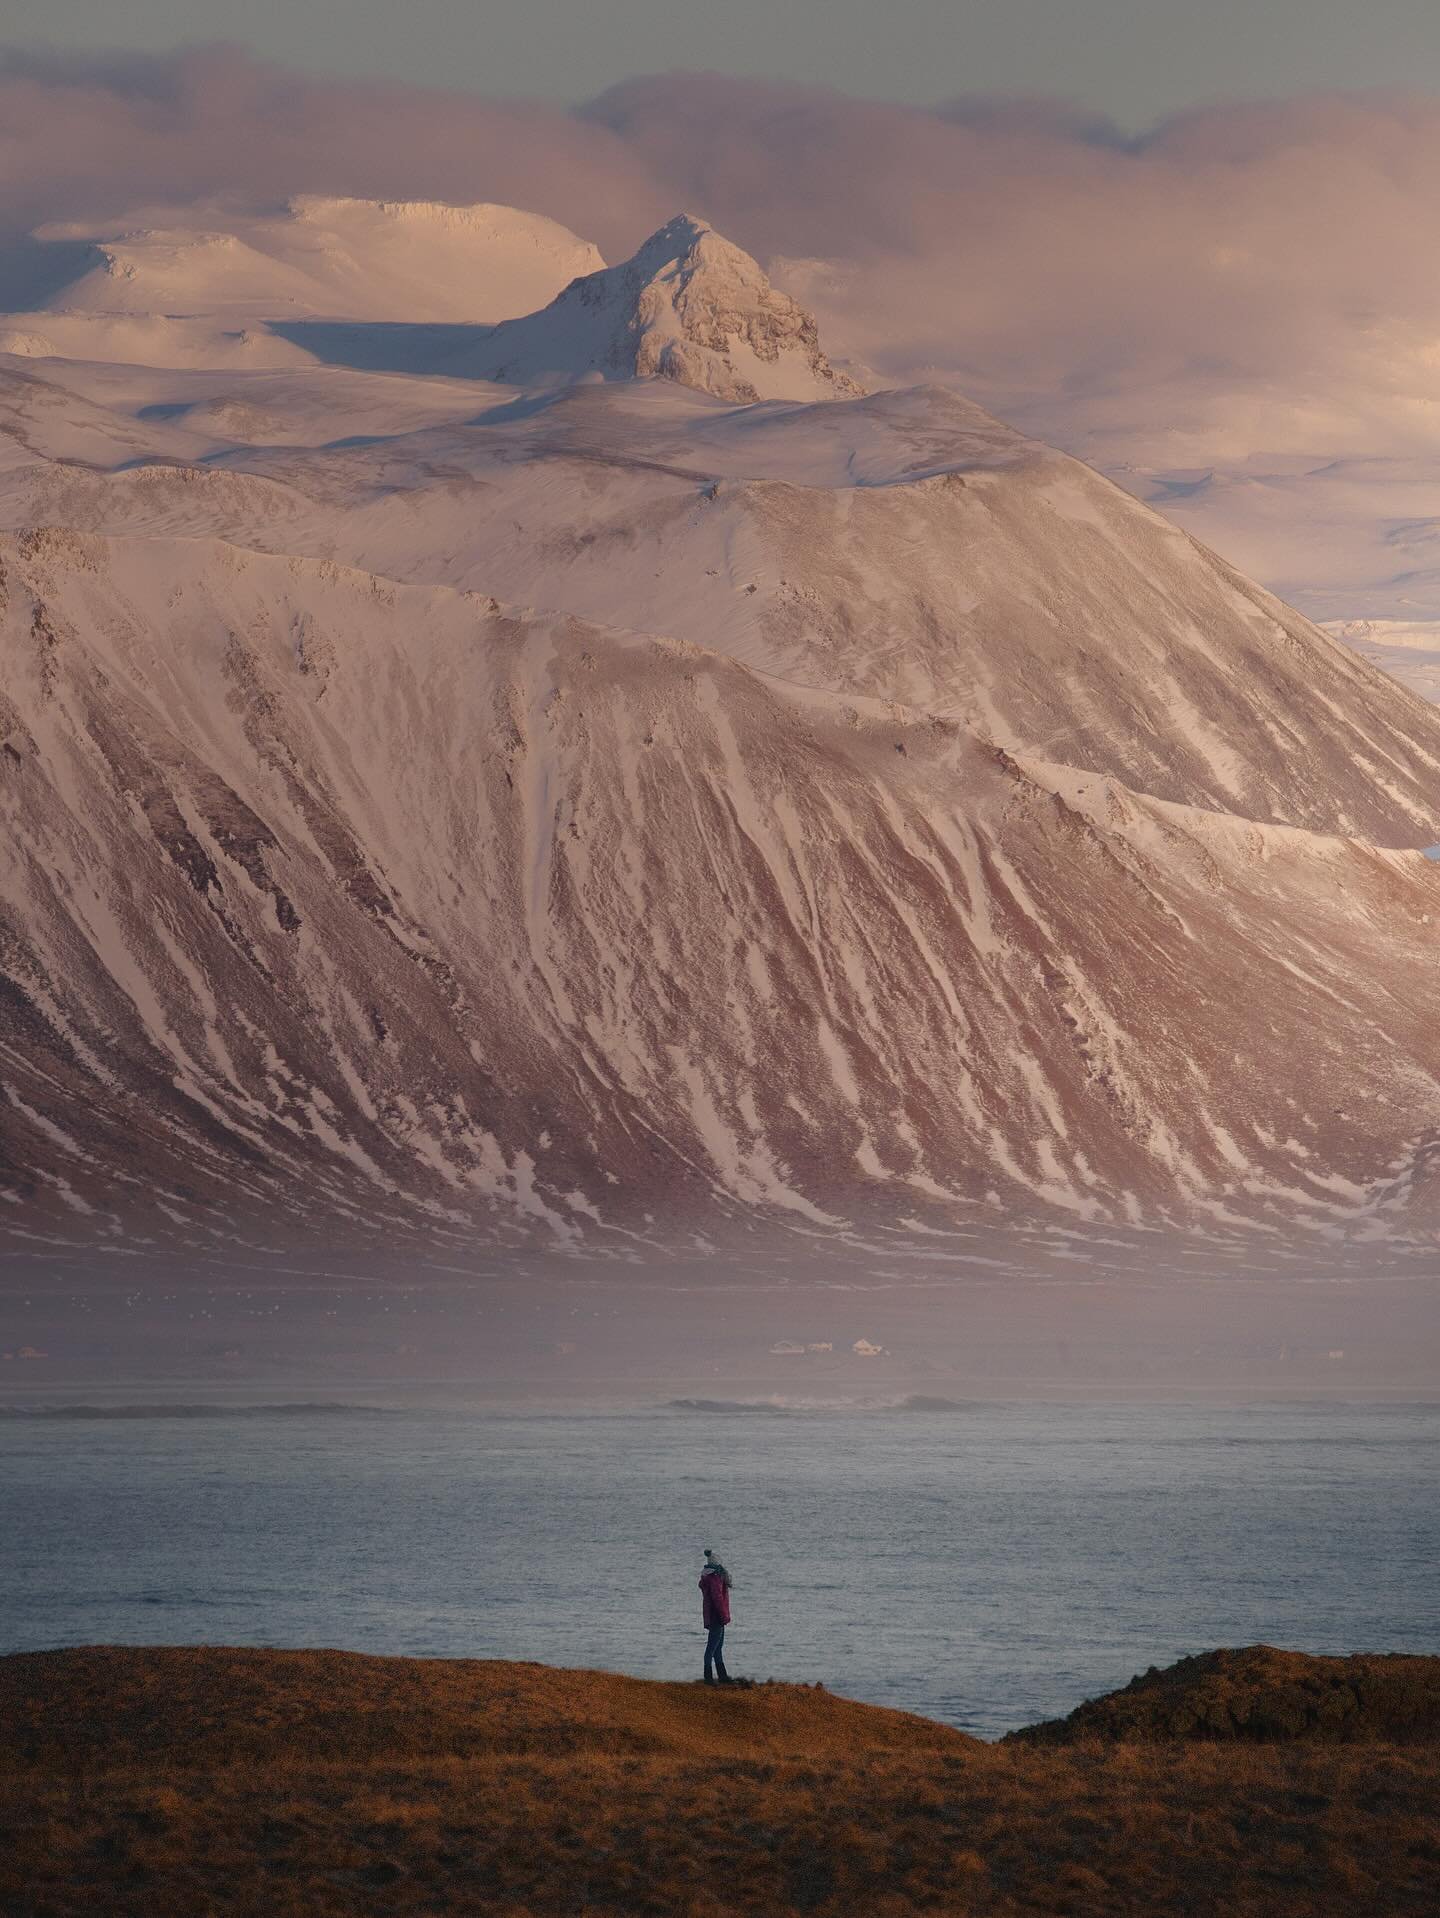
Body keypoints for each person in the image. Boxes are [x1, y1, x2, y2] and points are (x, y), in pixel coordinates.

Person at [699, 1547, 733, 1684]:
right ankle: (709, 1677)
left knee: (717, 1647)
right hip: (717, 1617)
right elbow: (718, 1599)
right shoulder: (715, 1578)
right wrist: (724, 1616)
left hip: (714, 1616)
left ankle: (722, 1676)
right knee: (712, 1647)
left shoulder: (710, 1577)